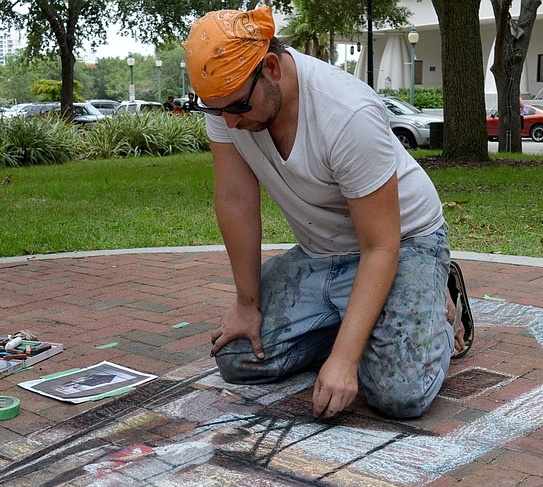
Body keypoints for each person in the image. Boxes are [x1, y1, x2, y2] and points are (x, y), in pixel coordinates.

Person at [183, 6, 471, 420]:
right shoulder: (229, 100)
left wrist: (344, 360)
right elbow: (235, 200)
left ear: (271, 68)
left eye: (238, 107)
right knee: (240, 358)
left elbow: (380, 245)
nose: (229, 121)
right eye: (216, 109)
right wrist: (246, 303)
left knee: (398, 394)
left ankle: (435, 309)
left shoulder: (347, 113)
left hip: (403, 243)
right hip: (324, 254)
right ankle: (365, 321)